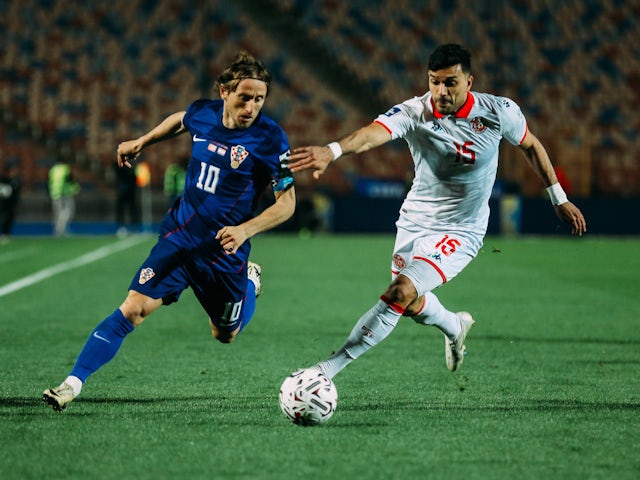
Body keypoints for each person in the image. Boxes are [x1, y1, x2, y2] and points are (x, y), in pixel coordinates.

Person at [288, 44, 586, 380]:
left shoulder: (499, 111)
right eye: (434, 82)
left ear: (469, 82)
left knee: (398, 293)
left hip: (462, 230)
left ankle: (325, 370)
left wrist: (557, 197)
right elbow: (372, 134)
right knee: (411, 304)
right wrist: (333, 150)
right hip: (415, 222)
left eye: (450, 83)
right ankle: (455, 326)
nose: (440, 91)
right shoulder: (415, 112)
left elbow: (530, 144)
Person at [43, 51, 296, 411]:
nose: (252, 107)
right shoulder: (204, 113)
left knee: (225, 334)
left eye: (259, 99)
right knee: (133, 309)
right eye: (244, 97)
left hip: (224, 253)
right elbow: (180, 120)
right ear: (224, 92)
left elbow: (287, 203)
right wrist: (141, 142)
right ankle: (72, 384)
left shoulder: (272, 139)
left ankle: (250, 283)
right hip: (179, 237)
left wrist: (244, 230)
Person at [48, 161, 81, 236]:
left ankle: (57, 229)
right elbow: (70, 181)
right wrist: (76, 189)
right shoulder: (66, 169)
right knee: (67, 212)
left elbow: (50, 181)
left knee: (57, 213)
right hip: (65, 193)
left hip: (54, 193)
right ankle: (61, 229)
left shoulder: (53, 170)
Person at [114, 161, 141, 236]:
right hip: (122, 190)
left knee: (132, 208)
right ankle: (121, 227)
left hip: (131, 191)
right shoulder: (118, 164)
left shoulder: (132, 163)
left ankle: (134, 227)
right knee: (121, 208)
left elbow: (135, 175)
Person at [0, 161, 21, 243]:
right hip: (4, 203)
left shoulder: (15, 180)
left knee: (10, 218)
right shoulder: (3, 179)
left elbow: (17, 192)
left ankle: (8, 234)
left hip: (12, 203)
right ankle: (4, 234)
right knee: (5, 218)